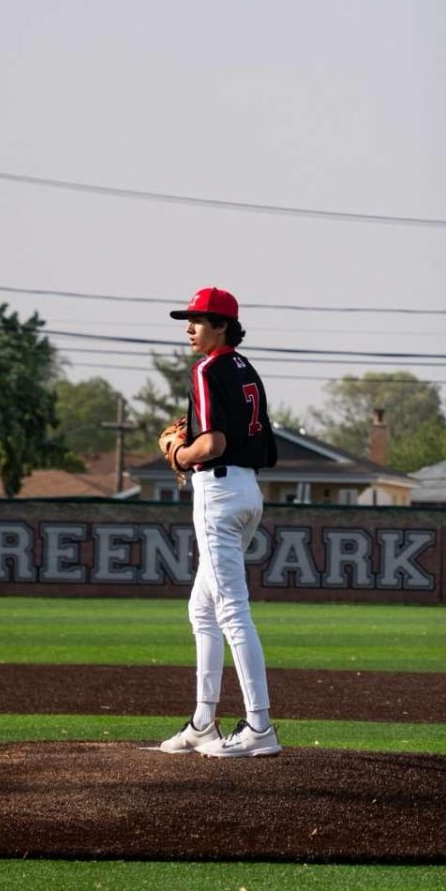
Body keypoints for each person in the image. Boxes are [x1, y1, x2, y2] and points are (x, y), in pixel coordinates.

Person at [157, 286, 281, 756]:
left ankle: (259, 727)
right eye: (188, 320)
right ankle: (203, 722)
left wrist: (178, 453)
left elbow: (211, 445)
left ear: (222, 325)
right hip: (248, 492)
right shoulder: (246, 369)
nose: (190, 328)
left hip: (220, 492)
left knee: (231, 610)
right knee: (202, 608)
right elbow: (268, 449)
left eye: (199, 320)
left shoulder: (208, 369)